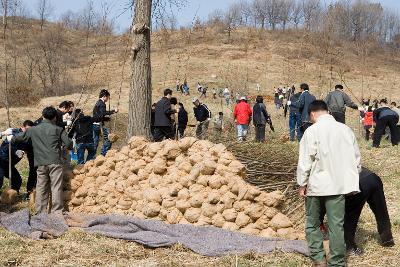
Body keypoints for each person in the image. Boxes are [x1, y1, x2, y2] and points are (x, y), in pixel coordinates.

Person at [297, 100, 361, 267]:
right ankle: (337, 262)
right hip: (338, 187)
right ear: (327, 111)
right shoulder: (346, 130)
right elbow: (356, 161)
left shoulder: (311, 131)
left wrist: (301, 184)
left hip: (316, 187)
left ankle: (319, 259)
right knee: (336, 226)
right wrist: (350, 182)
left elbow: (305, 161)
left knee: (312, 224)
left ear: (312, 114)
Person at [12, 107, 73, 214]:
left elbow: (19, 137)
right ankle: (57, 211)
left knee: (41, 187)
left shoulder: (33, 129)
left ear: (43, 116)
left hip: (40, 163)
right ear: (54, 117)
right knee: (56, 187)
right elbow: (68, 144)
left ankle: (40, 211)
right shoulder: (58, 129)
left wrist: (10, 137)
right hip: (55, 162)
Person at [344, 167, 394, 255]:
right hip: (373, 177)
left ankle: (350, 247)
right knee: (381, 212)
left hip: (359, 182)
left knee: (350, 216)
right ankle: (387, 238)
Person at [0, 121, 35, 193]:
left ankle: (13, 196)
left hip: (10, 164)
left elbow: (30, 149)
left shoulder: (30, 138)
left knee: (17, 180)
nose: (29, 132)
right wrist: (16, 151)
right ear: (22, 127)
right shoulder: (13, 133)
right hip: (2, 160)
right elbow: (7, 147)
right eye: (27, 129)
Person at [92, 89, 118, 156]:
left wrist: (106, 119)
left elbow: (99, 115)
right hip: (99, 125)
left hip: (94, 124)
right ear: (104, 96)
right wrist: (113, 111)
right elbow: (103, 113)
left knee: (95, 142)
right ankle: (103, 153)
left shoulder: (97, 103)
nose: (107, 99)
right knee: (110, 138)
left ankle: (92, 156)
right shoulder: (102, 103)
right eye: (108, 98)